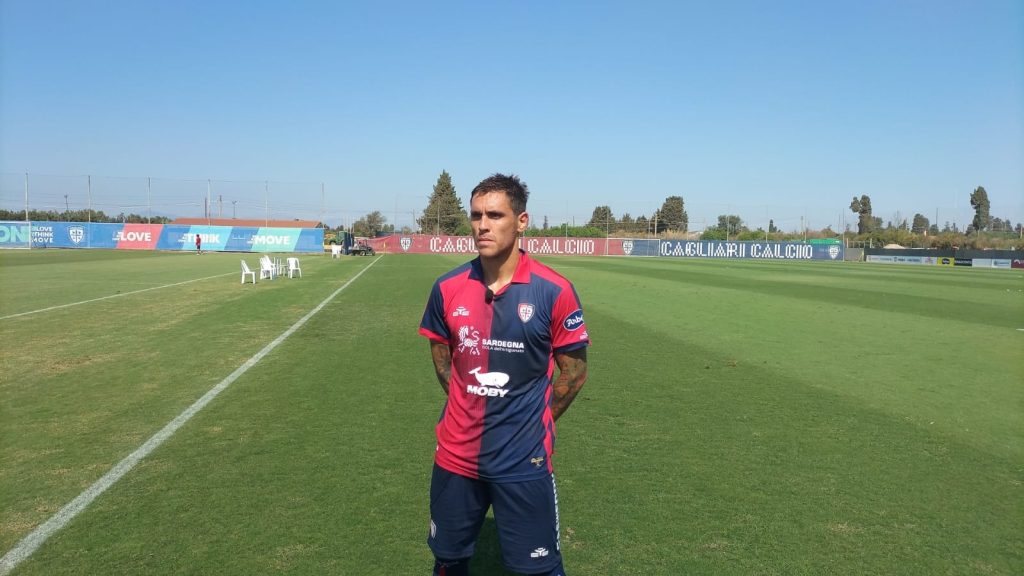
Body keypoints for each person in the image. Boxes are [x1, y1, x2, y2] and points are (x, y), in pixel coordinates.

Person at [419, 174, 590, 576]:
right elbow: (443, 362)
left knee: (538, 570)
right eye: (476, 215)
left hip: (523, 459)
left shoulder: (555, 291)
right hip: (456, 456)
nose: (483, 225)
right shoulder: (446, 287)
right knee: (448, 560)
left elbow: (575, 373)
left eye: (495, 215)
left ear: (521, 221)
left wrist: (534, 420)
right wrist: (469, 404)